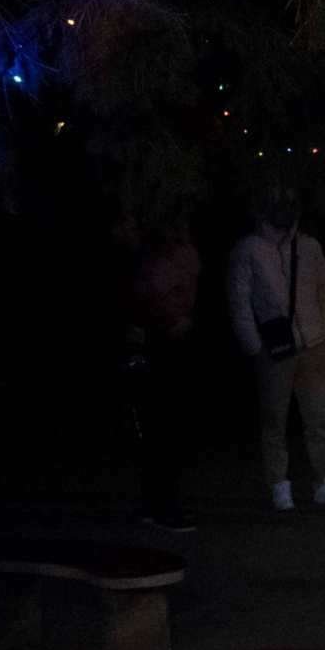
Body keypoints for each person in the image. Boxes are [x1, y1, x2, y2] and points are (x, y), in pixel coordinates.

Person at [227, 197, 325, 511]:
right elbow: (239, 301)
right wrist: (255, 346)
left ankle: (323, 481)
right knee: (274, 421)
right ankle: (279, 484)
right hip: (275, 347)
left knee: (318, 419)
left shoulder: (308, 246)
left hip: (313, 343)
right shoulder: (249, 249)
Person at [120, 219, 202, 531]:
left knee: (162, 428)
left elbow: (161, 290)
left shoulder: (161, 259)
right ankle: (163, 505)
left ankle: (155, 502)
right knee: (160, 428)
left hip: (163, 340)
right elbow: (151, 292)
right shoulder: (150, 263)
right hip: (155, 342)